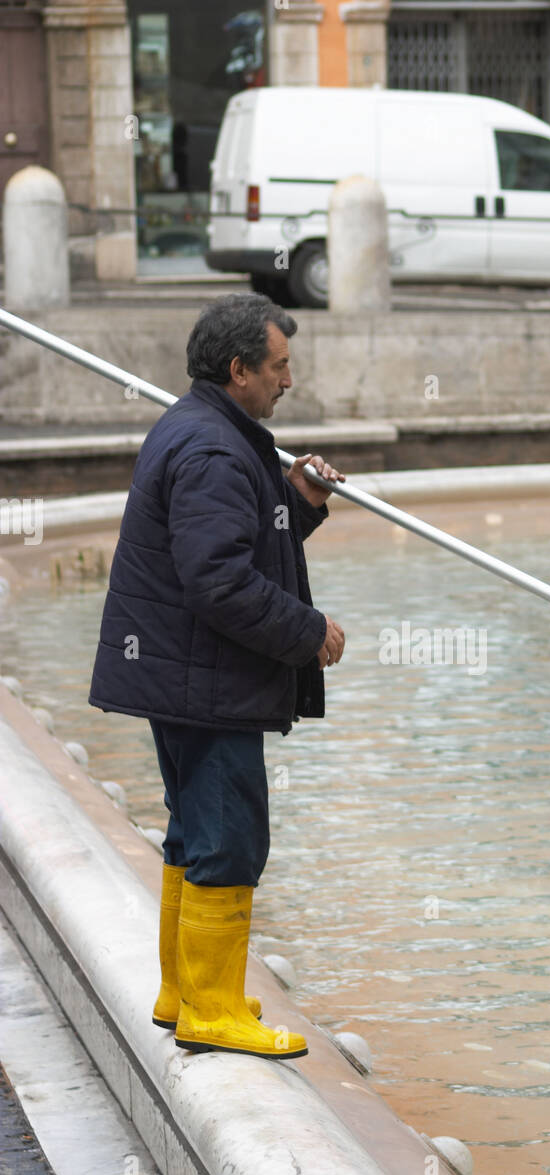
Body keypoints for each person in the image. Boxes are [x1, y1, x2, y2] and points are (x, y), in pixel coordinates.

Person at [88, 293, 345, 1061]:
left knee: (195, 831)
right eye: (278, 366)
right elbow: (221, 583)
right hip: (205, 682)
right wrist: (309, 633)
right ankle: (212, 1011)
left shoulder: (206, 429)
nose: (287, 382)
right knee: (229, 839)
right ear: (239, 370)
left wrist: (296, 504)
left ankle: (186, 991)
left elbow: (231, 544)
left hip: (185, 676)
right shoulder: (212, 449)